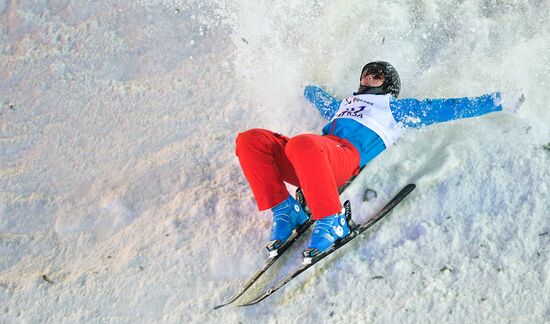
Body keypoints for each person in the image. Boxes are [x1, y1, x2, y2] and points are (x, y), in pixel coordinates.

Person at [235, 61, 524, 257]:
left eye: (377, 74)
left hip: (342, 159)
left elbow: (450, 108)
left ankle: (333, 220)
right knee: (250, 140)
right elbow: (316, 96)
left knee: (302, 144)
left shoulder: (396, 109)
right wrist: (303, 80)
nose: (368, 77)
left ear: (390, 84)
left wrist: (500, 100)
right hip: (311, 161)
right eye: (366, 73)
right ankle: (286, 211)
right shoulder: (344, 104)